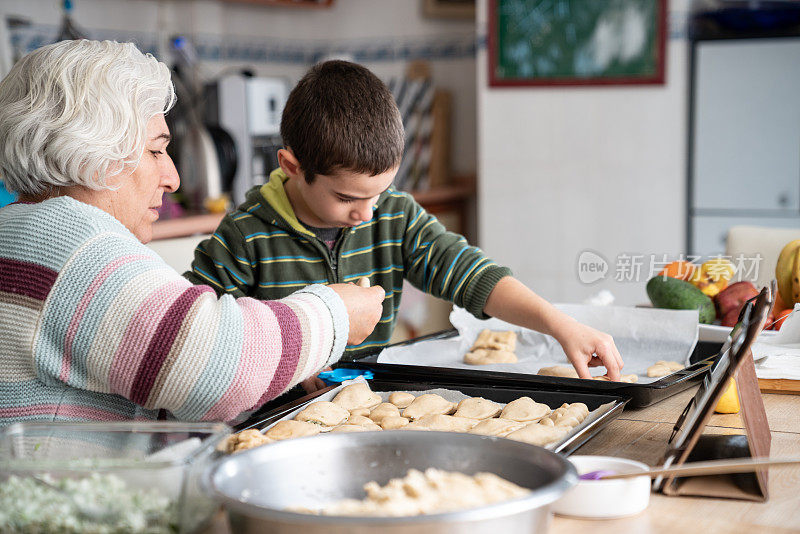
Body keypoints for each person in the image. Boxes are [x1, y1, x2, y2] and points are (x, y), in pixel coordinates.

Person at [0, 40, 385, 427]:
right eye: (155, 152)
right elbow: (212, 370)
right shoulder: (71, 247)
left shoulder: (22, 231)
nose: (172, 178)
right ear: (91, 154)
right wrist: (336, 314)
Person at [187, 60, 624, 381]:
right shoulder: (243, 238)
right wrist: (288, 372)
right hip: (272, 421)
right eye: (345, 198)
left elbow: (470, 273)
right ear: (292, 166)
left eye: (376, 194)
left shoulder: (394, 215)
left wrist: (560, 324)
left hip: (369, 408)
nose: (365, 214)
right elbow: (198, 336)